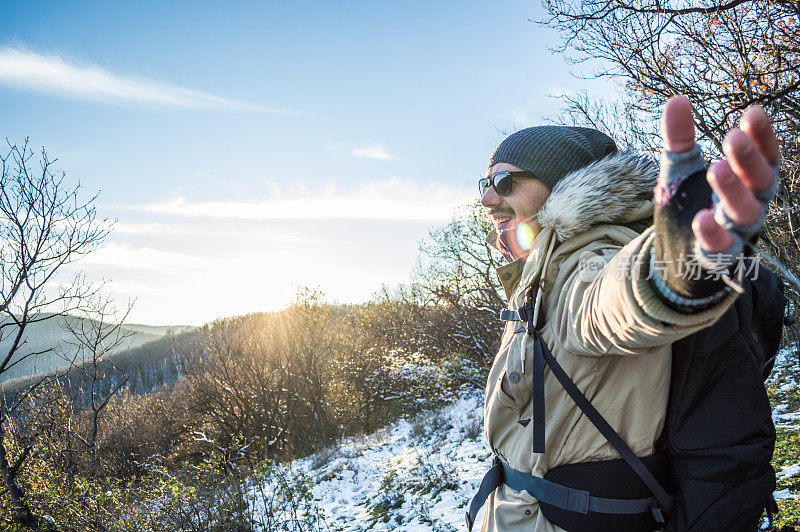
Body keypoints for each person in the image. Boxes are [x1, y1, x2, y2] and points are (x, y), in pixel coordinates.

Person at [471, 95, 779, 531]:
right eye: (482, 183)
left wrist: (681, 267)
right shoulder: (544, 265)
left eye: (504, 183)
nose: (487, 199)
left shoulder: (590, 257)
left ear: (562, 185)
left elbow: (611, 302)